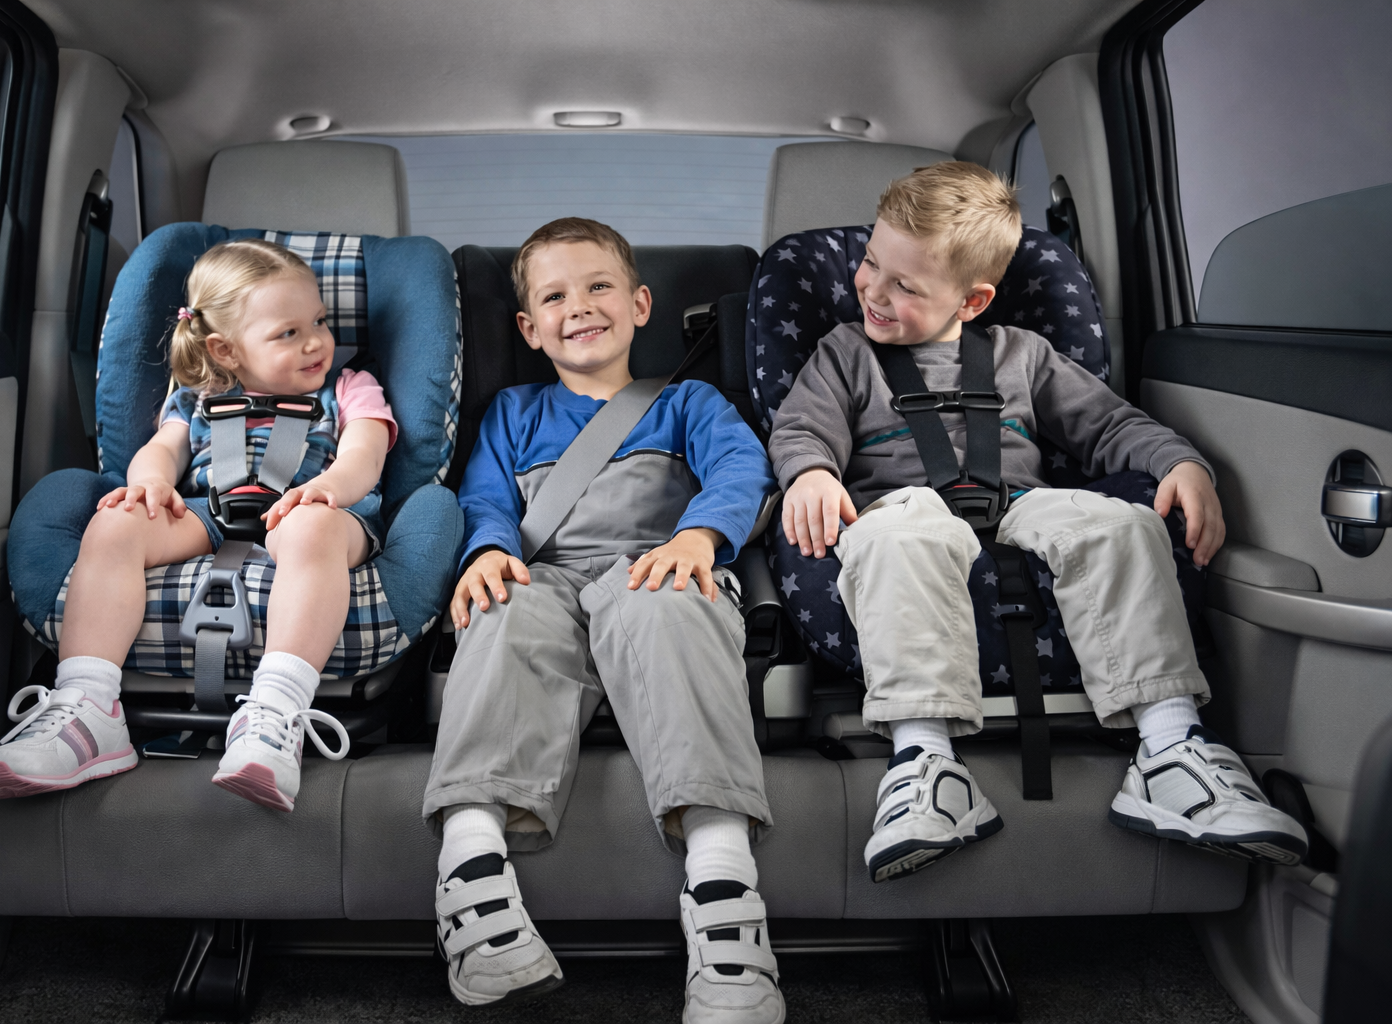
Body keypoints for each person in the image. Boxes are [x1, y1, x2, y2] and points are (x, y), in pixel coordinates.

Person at [769, 162, 1308, 882]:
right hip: (902, 507)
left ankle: (1172, 749)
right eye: (871, 263)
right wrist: (810, 472)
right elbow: (800, 428)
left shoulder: (1023, 356)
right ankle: (924, 760)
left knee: (1121, 524)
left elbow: (1110, 425)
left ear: (973, 300)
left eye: (906, 286)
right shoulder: (844, 355)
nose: (872, 289)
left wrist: (1181, 463)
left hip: (1021, 504)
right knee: (899, 534)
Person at [425, 218, 784, 1022]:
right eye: (555, 297)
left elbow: (741, 468)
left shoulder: (688, 402)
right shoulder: (514, 412)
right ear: (529, 328)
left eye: (598, 287)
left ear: (640, 304)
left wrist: (698, 536)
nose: (580, 306)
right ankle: (471, 875)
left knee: (673, 603)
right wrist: (487, 552)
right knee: (503, 610)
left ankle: (725, 897)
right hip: (543, 575)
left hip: (656, 564)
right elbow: (484, 498)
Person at [0, 238, 398, 812]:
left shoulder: (349, 387)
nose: (316, 342)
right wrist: (150, 484)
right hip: (210, 512)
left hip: (320, 514)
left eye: (320, 322)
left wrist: (328, 489)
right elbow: (162, 451)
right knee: (117, 522)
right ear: (225, 349)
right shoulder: (198, 400)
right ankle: (90, 707)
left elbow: (365, 454)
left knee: (311, 527)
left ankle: (275, 710)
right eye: (288, 333)